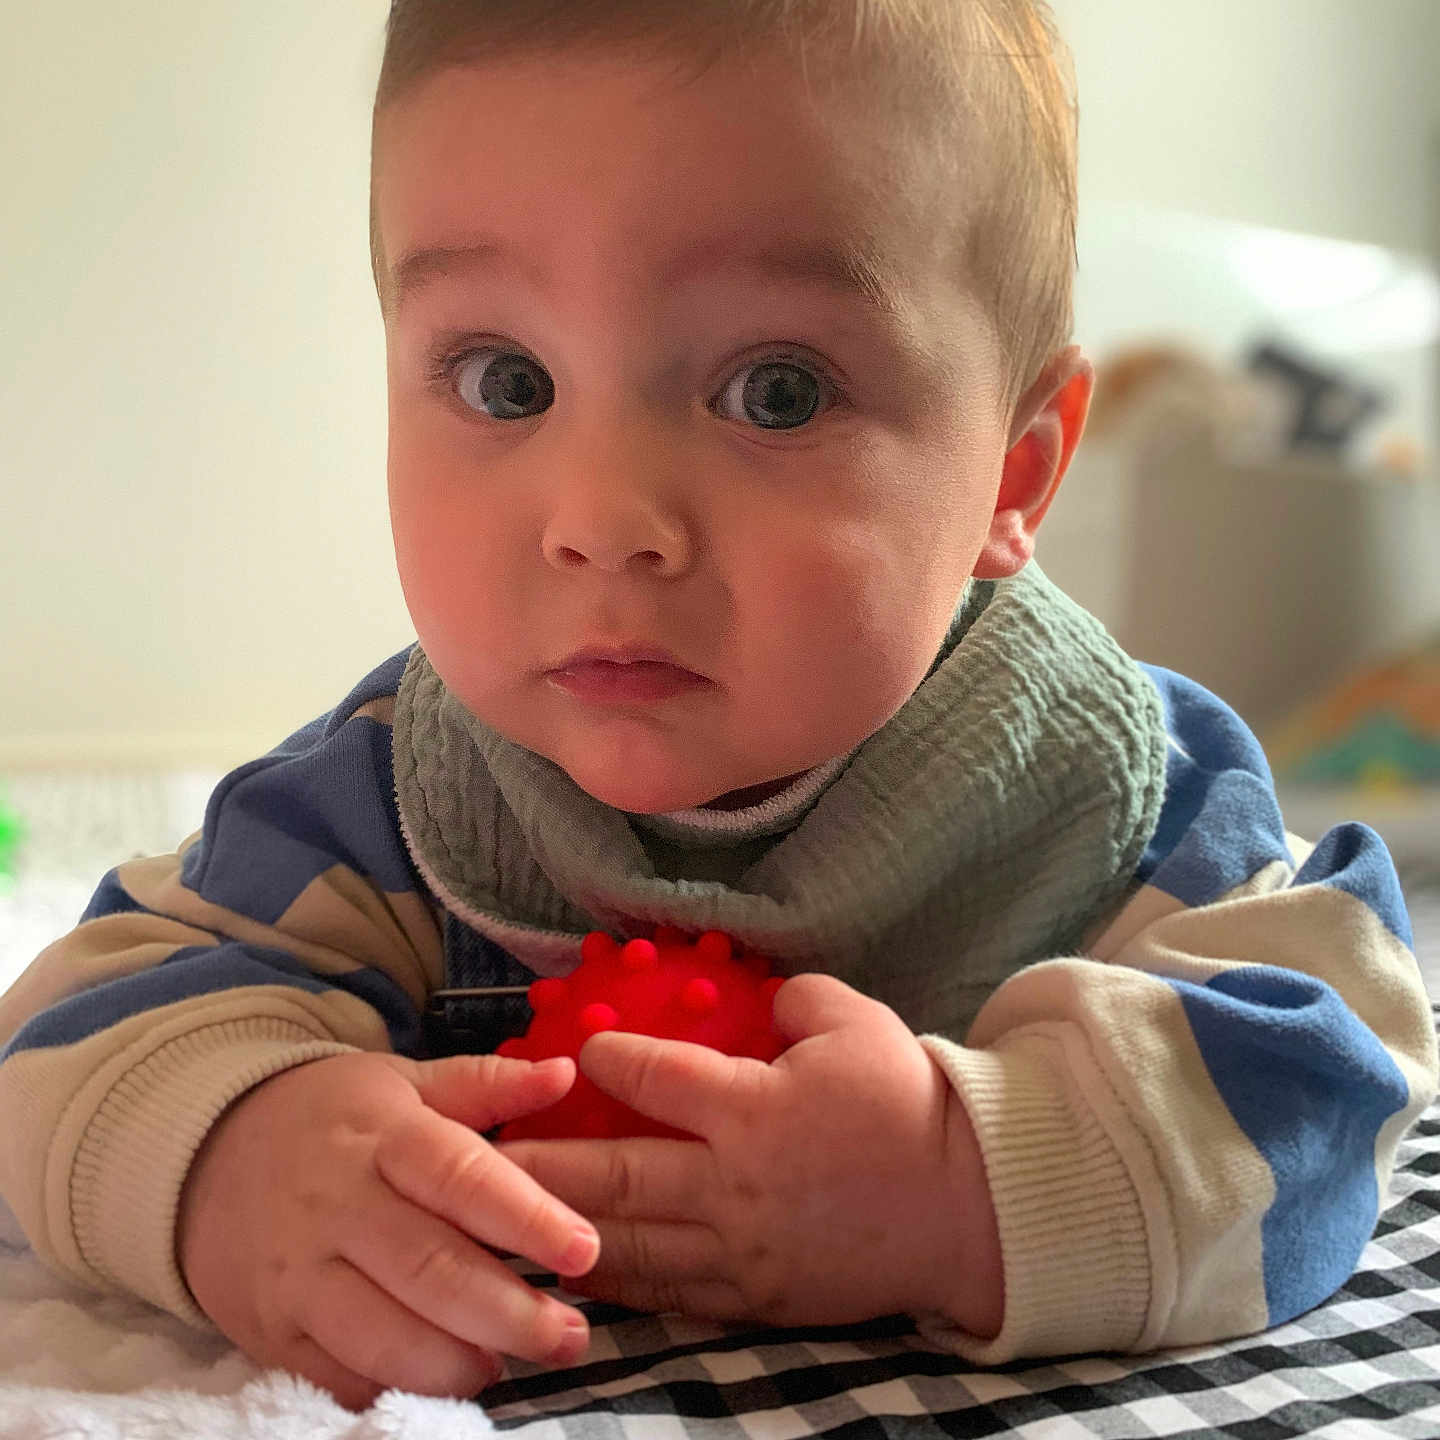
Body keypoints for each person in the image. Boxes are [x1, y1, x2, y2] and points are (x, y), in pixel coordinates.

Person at [1, 0, 1435, 1413]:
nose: (605, 521)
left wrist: (965, 1181)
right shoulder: (393, 797)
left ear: (1013, 475)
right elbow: (72, 1030)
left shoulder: (1111, 792)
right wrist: (238, 1153)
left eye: (777, 391)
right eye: (506, 381)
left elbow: (1340, 1081)